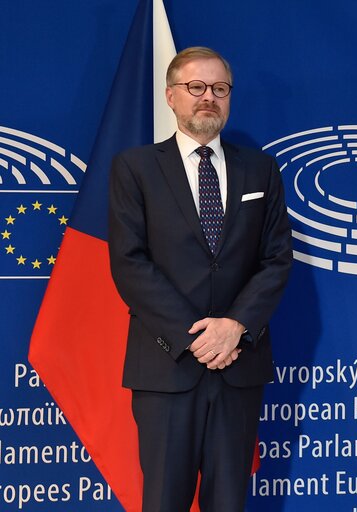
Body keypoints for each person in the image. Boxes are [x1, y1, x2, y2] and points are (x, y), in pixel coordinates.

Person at [108, 46, 292, 511]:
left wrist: (234, 328)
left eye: (220, 88)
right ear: (171, 96)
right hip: (168, 367)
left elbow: (276, 260)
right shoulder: (135, 169)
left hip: (238, 365)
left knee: (228, 501)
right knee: (165, 501)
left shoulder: (261, 169)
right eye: (196, 87)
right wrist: (195, 337)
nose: (208, 97)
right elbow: (130, 262)